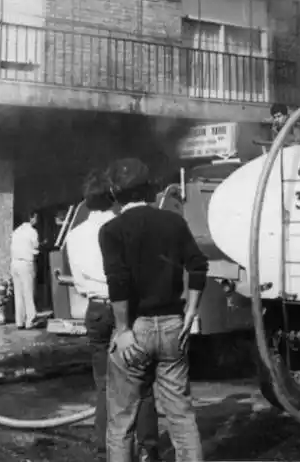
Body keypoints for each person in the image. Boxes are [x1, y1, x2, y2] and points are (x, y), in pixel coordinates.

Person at [100, 158, 208, 462]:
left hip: (136, 328)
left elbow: (118, 281)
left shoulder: (111, 230)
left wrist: (122, 330)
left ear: (113, 191)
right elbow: (198, 265)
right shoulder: (173, 222)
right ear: (149, 188)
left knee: (122, 422)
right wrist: (191, 312)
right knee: (182, 416)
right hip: (174, 326)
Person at [66, 170, 160, 460]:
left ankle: (105, 448)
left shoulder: (74, 234)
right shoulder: (123, 227)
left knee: (104, 383)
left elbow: (78, 279)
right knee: (141, 382)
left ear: (86, 201)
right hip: (127, 308)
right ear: (113, 197)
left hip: (95, 310)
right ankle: (147, 449)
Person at [10, 210, 41, 330]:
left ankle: (19, 321)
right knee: (28, 292)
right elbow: (36, 247)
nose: (37, 220)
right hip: (26, 263)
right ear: (31, 218)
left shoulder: (16, 231)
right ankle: (30, 320)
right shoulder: (32, 232)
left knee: (18, 293)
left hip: (14, 263)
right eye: (36, 218)